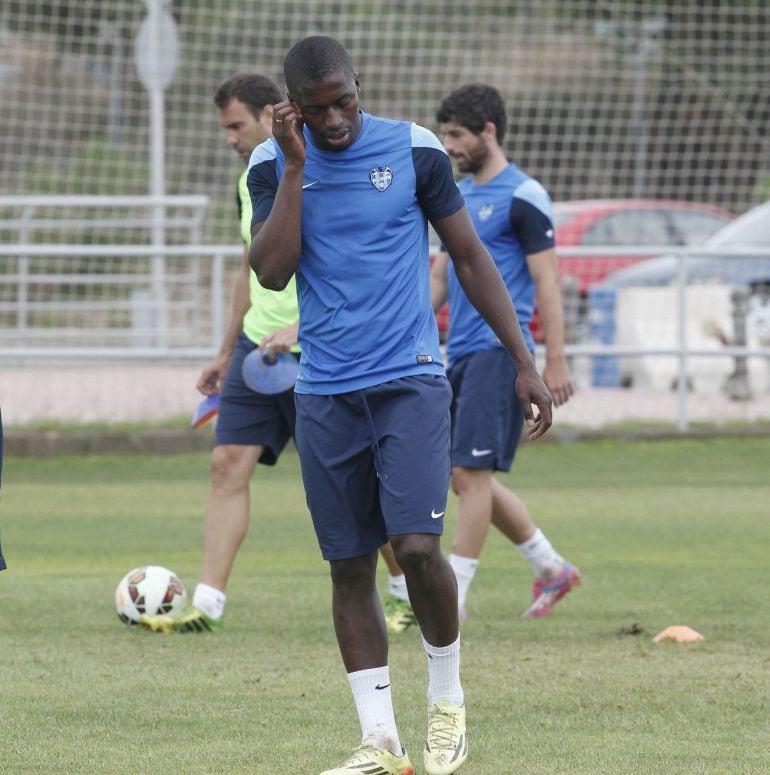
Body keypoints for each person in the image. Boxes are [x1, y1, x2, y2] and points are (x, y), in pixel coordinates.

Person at [247, 36, 553, 775]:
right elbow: (273, 267)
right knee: (349, 564)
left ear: (361, 85)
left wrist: (525, 359)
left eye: (345, 102)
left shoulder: (414, 150)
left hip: (410, 378)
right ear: (294, 108)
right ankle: (380, 740)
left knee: (416, 547)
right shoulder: (270, 164)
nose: (337, 121)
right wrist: (293, 164)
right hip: (323, 390)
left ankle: (447, 702)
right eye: (318, 111)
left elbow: (472, 258)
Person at [382, 85, 581, 631]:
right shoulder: (460, 195)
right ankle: (550, 566)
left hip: (501, 352)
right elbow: (442, 277)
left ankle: (455, 598)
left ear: (488, 131)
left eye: (456, 136)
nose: (448, 146)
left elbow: (547, 283)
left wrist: (553, 360)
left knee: (470, 473)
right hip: (461, 353)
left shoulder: (525, 196)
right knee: (462, 475)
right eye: (443, 135)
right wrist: (395, 324)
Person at [141, 73, 299, 634]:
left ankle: (404, 593)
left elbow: (351, 266)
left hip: (321, 351)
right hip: (257, 352)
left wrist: (304, 324)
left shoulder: (317, 171)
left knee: (347, 479)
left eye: (236, 125)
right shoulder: (250, 180)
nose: (230, 137)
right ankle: (206, 605)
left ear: (268, 116)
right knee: (226, 464)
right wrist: (227, 350)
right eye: (225, 128)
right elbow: (249, 267)